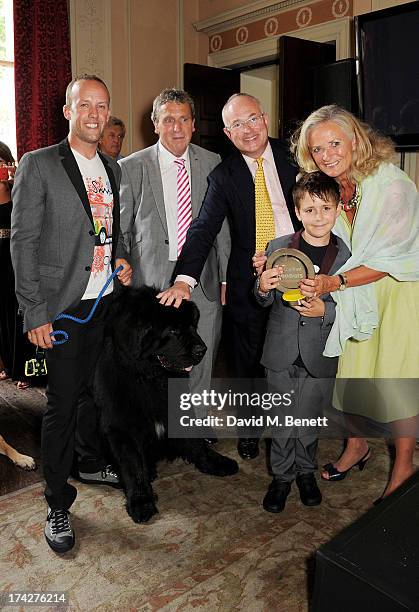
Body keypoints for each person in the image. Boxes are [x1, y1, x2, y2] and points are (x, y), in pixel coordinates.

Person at [11, 75, 132, 553]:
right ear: (68, 111)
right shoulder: (38, 165)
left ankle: (86, 461)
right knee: (61, 404)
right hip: (61, 308)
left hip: (104, 302)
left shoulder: (113, 169)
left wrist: (122, 260)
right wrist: (34, 312)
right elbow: (22, 244)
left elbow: (110, 235)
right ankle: (57, 501)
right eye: (86, 105)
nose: (95, 115)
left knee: (93, 394)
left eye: (102, 106)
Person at [158, 93, 300, 460]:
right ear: (227, 132)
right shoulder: (223, 176)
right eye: (237, 124)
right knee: (247, 363)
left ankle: (298, 434)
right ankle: (250, 430)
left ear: (265, 119)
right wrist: (184, 280)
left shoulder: (296, 155)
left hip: (301, 273)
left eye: (252, 119)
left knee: (297, 361)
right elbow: (203, 229)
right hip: (248, 284)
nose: (248, 130)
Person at [291, 104, 419, 501]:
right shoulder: (329, 187)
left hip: (397, 291)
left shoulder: (393, 184)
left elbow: (391, 259)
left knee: (396, 383)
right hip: (351, 293)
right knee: (352, 376)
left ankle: (404, 465)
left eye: (334, 143)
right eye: (317, 149)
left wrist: (335, 282)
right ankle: (357, 444)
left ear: (355, 141)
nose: (327, 154)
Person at [119, 88, 230, 431]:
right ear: (155, 124)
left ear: (194, 124)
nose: (177, 127)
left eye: (184, 119)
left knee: (203, 349)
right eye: (169, 120)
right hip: (152, 279)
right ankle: (159, 422)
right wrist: (122, 261)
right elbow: (120, 230)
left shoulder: (213, 163)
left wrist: (225, 277)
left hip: (204, 277)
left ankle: (195, 423)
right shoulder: (131, 167)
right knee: (155, 353)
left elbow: (223, 228)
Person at [255, 172, 350, 512]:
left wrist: (325, 311)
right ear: (298, 211)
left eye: (326, 208)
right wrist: (263, 286)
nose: (319, 216)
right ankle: (281, 477)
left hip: (319, 352)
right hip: (280, 351)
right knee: (282, 420)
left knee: (309, 419)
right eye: (310, 210)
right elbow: (262, 300)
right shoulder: (278, 247)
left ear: (337, 209)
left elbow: (355, 305)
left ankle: (306, 472)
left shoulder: (348, 257)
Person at [0, 142, 32, 389]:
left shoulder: (19, 187)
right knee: (2, 313)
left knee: (18, 311)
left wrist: (14, 182)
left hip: (16, 256)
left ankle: (25, 370)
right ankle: (9, 367)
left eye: (1, 162)